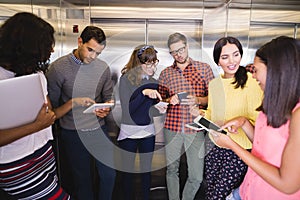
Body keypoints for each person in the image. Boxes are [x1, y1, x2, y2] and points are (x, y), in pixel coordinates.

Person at [210, 36, 300, 200]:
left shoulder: (298, 115)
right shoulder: (272, 102)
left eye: (257, 69)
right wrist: (243, 122)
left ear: (276, 70)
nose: (254, 74)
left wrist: (232, 145)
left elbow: (288, 184)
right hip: (248, 190)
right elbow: (262, 146)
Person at [0, 12, 70, 199]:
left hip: (44, 151)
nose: (51, 51)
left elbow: (48, 114)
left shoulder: (36, 74)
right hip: (15, 163)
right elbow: (41, 121)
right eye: (46, 46)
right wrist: (36, 125)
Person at [46, 25, 116, 200]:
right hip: (72, 133)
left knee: (109, 175)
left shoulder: (103, 68)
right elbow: (51, 112)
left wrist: (106, 108)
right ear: (79, 42)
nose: (93, 57)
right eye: (90, 50)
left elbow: (109, 98)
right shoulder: (58, 68)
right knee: (82, 180)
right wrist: (73, 103)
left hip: (98, 129)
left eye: (98, 53)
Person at [197, 36, 263, 199]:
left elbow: (258, 124)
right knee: (210, 191)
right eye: (225, 57)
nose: (231, 61)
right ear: (218, 61)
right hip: (214, 147)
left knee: (220, 196)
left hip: (239, 152)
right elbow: (213, 114)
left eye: (236, 54)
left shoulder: (252, 82)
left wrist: (241, 123)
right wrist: (202, 115)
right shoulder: (214, 84)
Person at [158, 32, 215, 200]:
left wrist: (198, 100)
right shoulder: (165, 74)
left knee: (196, 175)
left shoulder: (204, 68)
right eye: (174, 52)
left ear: (187, 46)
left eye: (181, 50)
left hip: (195, 128)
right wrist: (169, 99)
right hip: (172, 128)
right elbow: (161, 101)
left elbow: (213, 99)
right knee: (171, 170)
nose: (178, 55)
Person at [118, 44, 167, 200]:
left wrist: (158, 107)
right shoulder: (126, 79)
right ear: (138, 63)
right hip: (129, 131)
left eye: (154, 63)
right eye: (148, 63)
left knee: (146, 171)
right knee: (127, 172)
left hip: (148, 131)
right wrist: (144, 93)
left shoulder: (153, 82)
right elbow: (128, 110)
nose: (152, 67)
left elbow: (147, 110)